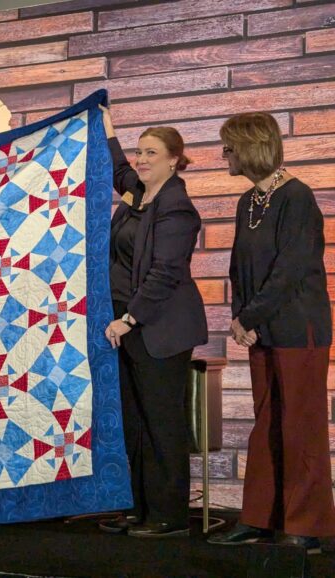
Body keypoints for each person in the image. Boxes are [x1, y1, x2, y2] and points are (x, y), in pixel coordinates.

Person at [207, 112, 335, 553]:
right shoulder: (249, 202)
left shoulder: (296, 197)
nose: (224, 155)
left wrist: (250, 317)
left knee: (301, 425)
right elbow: (240, 270)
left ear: (249, 147)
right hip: (262, 331)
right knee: (266, 423)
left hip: (299, 329)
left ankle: (306, 526)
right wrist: (240, 318)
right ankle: (260, 518)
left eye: (228, 147)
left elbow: (290, 270)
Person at [97, 104, 207, 537]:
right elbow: (119, 170)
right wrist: (107, 131)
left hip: (157, 329)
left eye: (151, 153)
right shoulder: (139, 194)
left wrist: (128, 318)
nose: (141, 160)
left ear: (174, 160)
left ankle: (168, 514)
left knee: (162, 423)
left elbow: (165, 273)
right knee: (135, 423)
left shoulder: (176, 207)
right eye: (141, 151)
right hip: (128, 329)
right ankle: (141, 509)